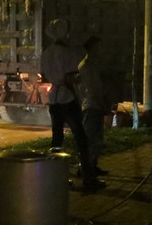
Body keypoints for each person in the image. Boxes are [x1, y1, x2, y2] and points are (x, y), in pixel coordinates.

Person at [40, 19, 104, 190]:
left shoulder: (46, 53)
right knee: (81, 139)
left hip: (53, 100)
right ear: (64, 33)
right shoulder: (68, 53)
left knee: (56, 139)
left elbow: (44, 76)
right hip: (67, 99)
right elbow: (71, 78)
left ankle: (53, 177)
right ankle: (88, 178)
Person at [78, 35, 109, 176]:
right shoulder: (85, 66)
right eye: (98, 47)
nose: (101, 50)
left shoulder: (92, 65)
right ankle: (85, 168)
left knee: (96, 139)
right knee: (90, 138)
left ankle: (92, 166)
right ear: (91, 48)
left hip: (95, 105)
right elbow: (91, 90)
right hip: (91, 105)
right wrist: (101, 103)